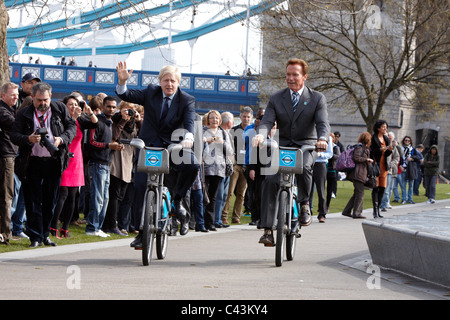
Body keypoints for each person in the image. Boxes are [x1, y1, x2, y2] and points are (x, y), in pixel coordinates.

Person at [115, 62, 200, 247]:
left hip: (174, 147)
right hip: (148, 146)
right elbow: (126, 94)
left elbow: (189, 123)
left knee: (193, 165)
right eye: (166, 80)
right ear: (160, 81)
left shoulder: (186, 100)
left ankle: (177, 202)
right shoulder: (151, 92)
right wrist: (122, 82)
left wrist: (188, 137)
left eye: (173, 81)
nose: (169, 84)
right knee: (139, 186)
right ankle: (141, 231)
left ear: (178, 83)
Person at [253, 58, 330, 228]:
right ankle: (267, 228)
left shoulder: (317, 98)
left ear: (304, 77)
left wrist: (322, 139)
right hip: (283, 144)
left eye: (295, 75)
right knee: (270, 180)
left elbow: (322, 123)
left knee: (304, 166)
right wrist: (260, 135)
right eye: (288, 74)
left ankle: (304, 204)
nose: (290, 78)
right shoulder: (276, 98)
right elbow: (266, 121)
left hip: (306, 144)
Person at [10, 82, 77, 247]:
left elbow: (72, 127)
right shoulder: (24, 113)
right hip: (31, 162)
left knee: (50, 200)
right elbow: (14, 135)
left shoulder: (59, 109)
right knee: (33, 201)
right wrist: (28, 139)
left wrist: (61, 139)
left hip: (54, 161)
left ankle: (45, 234)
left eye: (45, 100)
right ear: (32, 98)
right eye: (39, 100)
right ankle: (35, 237)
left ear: (51, 97)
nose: (42, 103)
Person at [50, 95, 98, 238]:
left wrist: (89, 111)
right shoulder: (61, 120)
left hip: (76, 160)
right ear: (64, 106)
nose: (73, 107)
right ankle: (53, 225)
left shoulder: (81, 120)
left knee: (73, 196)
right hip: (64, 159)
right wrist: (74, 118)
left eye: (75, 104)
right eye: (70, 104)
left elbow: (95, 123)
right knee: (62, 195)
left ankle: (65, 228)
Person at [84, 96, 124, 237]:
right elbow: (91, 142)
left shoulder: (110, 123)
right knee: (98, 197)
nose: (112, 109)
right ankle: (92, 228)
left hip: (107, 164)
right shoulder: (97, 122)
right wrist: (108, 145)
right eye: (109, 107)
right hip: (97, 164)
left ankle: (98, 227)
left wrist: (115, 147)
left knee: (105, 198)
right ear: (102, 107)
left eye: (114, 107)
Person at [103, 101, 141, 235]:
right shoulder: (115, 120)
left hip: (128, 159)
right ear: (120, 110)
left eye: (131, 110)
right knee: (114, 194)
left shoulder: (133, 123)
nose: (129, 113)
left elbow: (142, 136)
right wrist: (123, 121)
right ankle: (110, 225)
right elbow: (114, 135)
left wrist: (139, 121)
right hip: (117, 158)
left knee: (120, 196)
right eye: (126, 110)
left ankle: (113, 224)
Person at [202, 110, 233, 231]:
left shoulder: (223, 133)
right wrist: (206, 141)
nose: (214, 120)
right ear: (208, 120)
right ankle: (199, 221)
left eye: (216, 118)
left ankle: (210, 222)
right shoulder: (203, 132)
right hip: (205, 167)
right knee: (202, 195)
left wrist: (222, 143)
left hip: (219, 168)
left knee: (213, 197)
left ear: (219, 120)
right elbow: (197, 146)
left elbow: (230, 151)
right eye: (212, 118)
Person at [222, 107, 253, 225]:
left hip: (246, 166)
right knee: (229, 192)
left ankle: (236, 217)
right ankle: (224, 216)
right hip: (235, 165)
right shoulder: (234, 130)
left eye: (248, 117)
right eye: (244, 116)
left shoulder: (253, 131)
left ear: (251, 118)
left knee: (241, 194)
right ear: (240, 117)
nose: (246, 118)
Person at [0, 83, 19, 245]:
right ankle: (5, 234)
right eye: (12, 94)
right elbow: (16, 124)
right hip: (6, 156)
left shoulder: (10, 110)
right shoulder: (3, 111)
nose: (16, 97)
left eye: (17, 94)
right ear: (3, 95)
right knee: (7, 196)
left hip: (10, 154)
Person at [342, 132, 373, 219]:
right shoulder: (360, 147)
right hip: (358, 174)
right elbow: (356, 158)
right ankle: (357, 213)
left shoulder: (364, 148)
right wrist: (366, 159)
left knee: (356, 193)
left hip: (360, 173)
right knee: (360, 193)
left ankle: (347, 211)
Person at [243, 108, 265, 225]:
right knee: (252, 192)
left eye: (263, 117)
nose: (261, 119)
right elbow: (245, 140)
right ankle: (254, 217)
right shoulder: (249, 128)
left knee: (262, 192)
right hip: (250, 162)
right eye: (259, 117)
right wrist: (256, 129)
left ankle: (263, 216)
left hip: (265, 164)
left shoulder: (269, 128)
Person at [214, 111, 234, 228]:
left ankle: (219, 219)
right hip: (219, 168)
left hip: (226, 168)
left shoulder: (227, 133)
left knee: (224, 195)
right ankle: (216, 220)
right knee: (219, 195)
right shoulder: (219, 133)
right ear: (229, 122)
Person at [370, 120, 393, 218]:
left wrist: (389, 150)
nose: (385, 129)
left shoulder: (386, 139)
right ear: (378, 128)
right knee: (375, 187)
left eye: (386, 127)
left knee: (382, 188)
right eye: (383, 127)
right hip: (376, 166)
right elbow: (370, 151)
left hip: (384, 166)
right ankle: (375, 210)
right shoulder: (373, 138)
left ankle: (378, 208)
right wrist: (379, 150)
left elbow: (387, 154)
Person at [310, 133, 333, 222]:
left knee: (321, 189)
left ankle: (322, 213)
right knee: (307, 189)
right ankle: (306, 212)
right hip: (309, 163)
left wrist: (319, 154)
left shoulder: (328, 138)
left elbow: (330, 154)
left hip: (320, 163)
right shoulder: (308, 133)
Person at [380, 131, 400, 212]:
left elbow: (397, 157)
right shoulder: (379, 146)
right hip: (380, 169)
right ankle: (380, 203)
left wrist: (391, 164)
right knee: (381, 188)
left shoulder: (392, 147)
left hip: (388, 170)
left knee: (387, 188)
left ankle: (384, 204)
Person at [399, 136, 421, 204]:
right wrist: (400, 166)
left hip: (411, 168)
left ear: (410, 141)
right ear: (404, 141)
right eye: (406, 140)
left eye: (408, 140)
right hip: (404, 168)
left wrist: (411, 158)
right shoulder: (401, 149)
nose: (407, 142)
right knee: (403, 185)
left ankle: (410, 199)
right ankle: (404, 199)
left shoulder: (413, 149)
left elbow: (418, 158)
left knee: (411, 184)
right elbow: (399, 158)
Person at [326, 132, 341, 211]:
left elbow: (338, 157)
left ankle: (327, 205)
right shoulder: (324, 146)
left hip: (332, 170)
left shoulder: (335, 148)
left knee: (329, 189)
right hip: (323, 169)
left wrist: (330, 154)